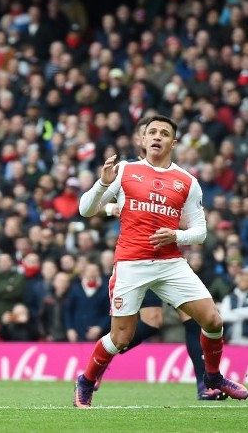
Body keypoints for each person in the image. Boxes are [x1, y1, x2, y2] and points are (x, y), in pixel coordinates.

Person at [74, 115, 248, 407]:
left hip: (170, 263)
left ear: (173, 143)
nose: (157, 137)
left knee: (213, 319)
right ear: (143, 139)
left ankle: (213, 377)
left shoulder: (187, 181)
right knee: (120, 338)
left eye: (164, 133)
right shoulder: (124, 171)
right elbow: (85, 210)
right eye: (152, 132)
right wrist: (102, 185)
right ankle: (86, 380)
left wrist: (176, 236)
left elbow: (201, 232)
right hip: (131, 264)